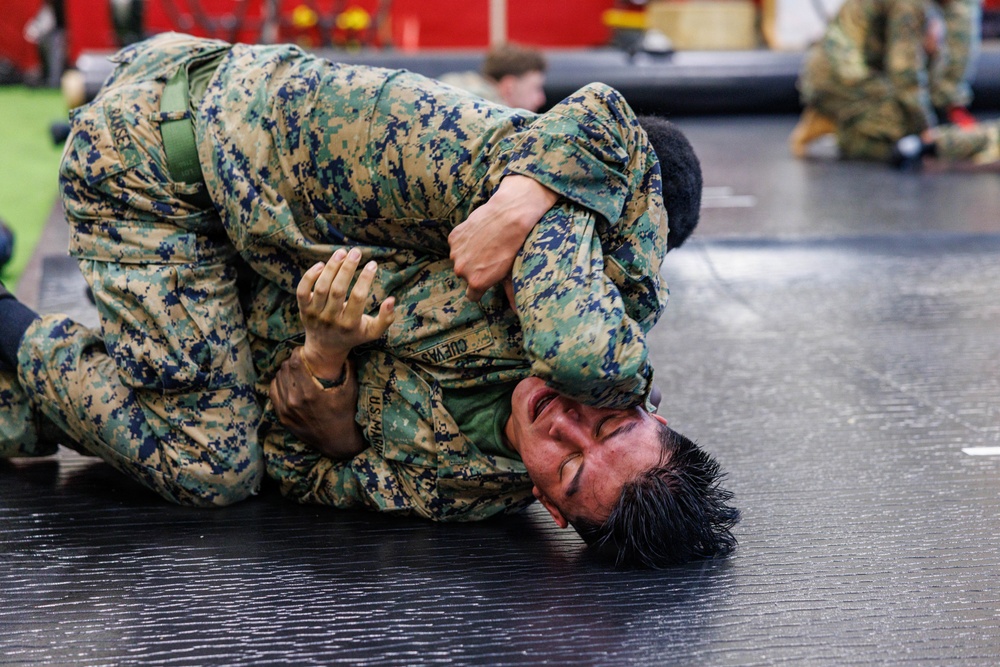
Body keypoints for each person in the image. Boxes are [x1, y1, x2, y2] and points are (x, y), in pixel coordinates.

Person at [0, 32, 735, 567]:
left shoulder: (465, 486)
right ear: (647, 401)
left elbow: (297, 468)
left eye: (570, 467)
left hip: (230, 252)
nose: (566, 423)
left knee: (193, 449)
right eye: (607, 421)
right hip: (159, 160)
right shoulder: (590, 292)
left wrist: (327, 370)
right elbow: (615, 128)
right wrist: (524, 199)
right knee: (206, 462)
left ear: (548, 506)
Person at [789, 0, 988, 167]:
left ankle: (851, 122)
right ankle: (841, 130)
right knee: (903, 137)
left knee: (916, 135)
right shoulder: (911, 3)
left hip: (867, 70)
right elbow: (904, 74)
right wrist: (926, 129)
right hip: (837, 78)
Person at [439, 43, 547, 112]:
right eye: (535, 88)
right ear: (509, 87)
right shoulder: (493, 114)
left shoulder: (448, 83)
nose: (541, 100)